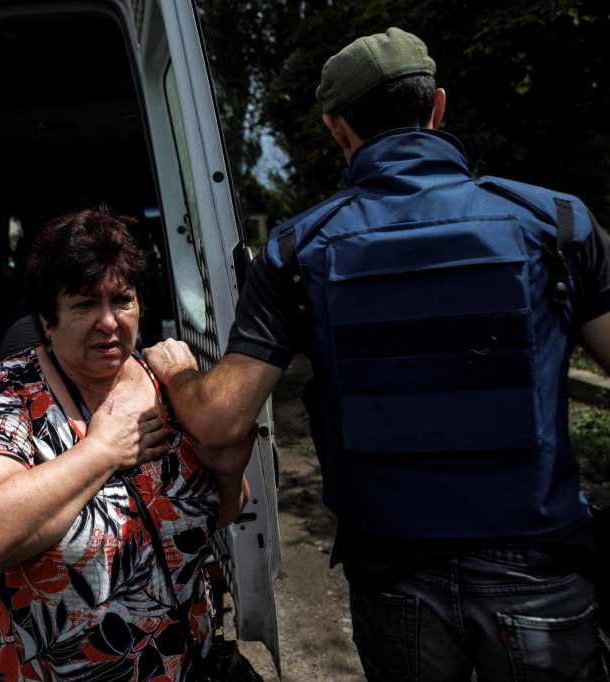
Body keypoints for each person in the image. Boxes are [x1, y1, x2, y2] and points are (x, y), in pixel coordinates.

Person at [144, 27, 610, 681]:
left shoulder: (297, 251)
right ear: (438, 107)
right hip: (540, 569)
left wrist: (181, 372)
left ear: (337, 128)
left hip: (397, 575)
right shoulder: (558, 223)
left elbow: (222, 421)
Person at [0, 206, 254, 681]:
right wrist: (101, 451)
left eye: (122, 300)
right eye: (86, 304)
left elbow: (221, 513)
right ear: (47, 321)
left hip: (183, 662)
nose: (109, 322)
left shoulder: (169, 386)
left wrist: (229, 475)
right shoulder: (8, 393)